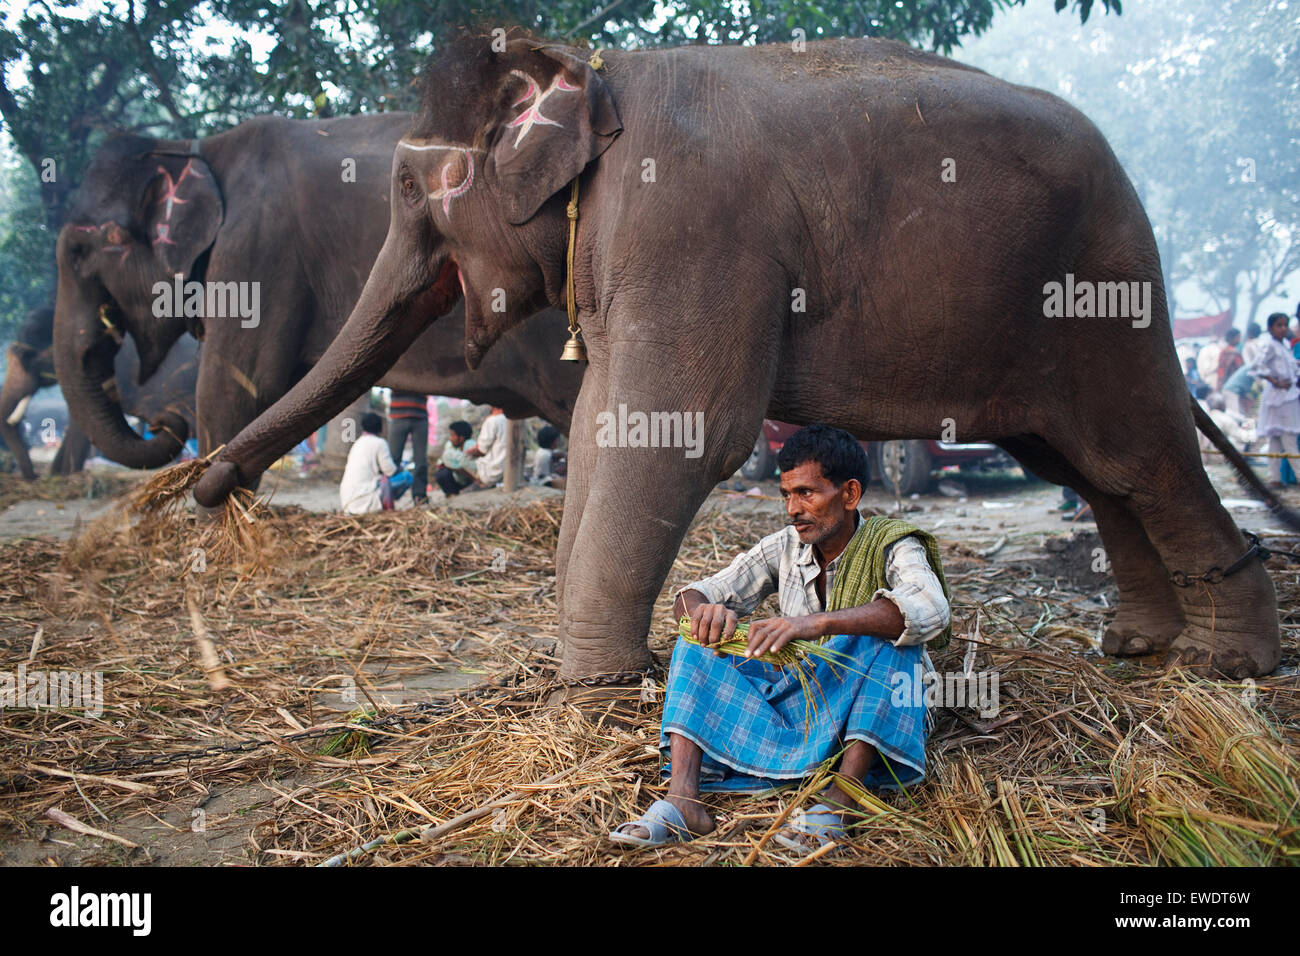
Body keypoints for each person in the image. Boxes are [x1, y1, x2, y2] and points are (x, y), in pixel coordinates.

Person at [609, 424, 951, 851]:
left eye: (807, 493)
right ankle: (683, 801)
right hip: (803, 697)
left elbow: (929, 609)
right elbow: (697, 593)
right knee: (695, 641)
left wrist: (821, 623)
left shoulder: (892, 545)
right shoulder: (784, 546)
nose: (793, 508)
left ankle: (842, 800)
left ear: (849, 495)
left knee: (888, 637)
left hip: (870, 707)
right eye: (786, 494)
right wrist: (702, 613)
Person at [1246, 312, 1300, 489]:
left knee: (1276, 440)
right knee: (1288, 438)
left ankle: (1274, 478)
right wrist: (1275, 381)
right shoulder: (1268, 345)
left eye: (1285, 325)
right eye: (1279, 325)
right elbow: (1256, 365)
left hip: (1288, 395)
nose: (1283, 329)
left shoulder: (1284, 345)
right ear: (1270, 328)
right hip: (1278, 398)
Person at [339, 412, 413, 513]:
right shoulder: (380, 443)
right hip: (366, 497)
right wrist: (400, 468)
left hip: (347, 500)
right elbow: (390, 471)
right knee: (407, 477)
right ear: (380, 428)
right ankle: (385, 503)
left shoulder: (357, 443)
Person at [387, 390, 429, 506]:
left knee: (421, 460)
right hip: (398, 415)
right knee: (393, 459)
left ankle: (419, 496)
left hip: (420, 416)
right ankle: (388, 496)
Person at [433, 420, 477, 498]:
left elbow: (469, 466)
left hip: (473, 482)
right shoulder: (453, 448)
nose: (450, 439)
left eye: (453, 436)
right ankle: (451, 494)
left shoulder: (471, 445)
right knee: (441, 472)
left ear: (461, 438)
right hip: (459, 482)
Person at [467, 406, 508, 488]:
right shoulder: (512, 419)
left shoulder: (492, 420)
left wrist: (468, 452)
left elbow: (482, 450)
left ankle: (479, 484)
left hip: (492, 472)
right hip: (508, 469)